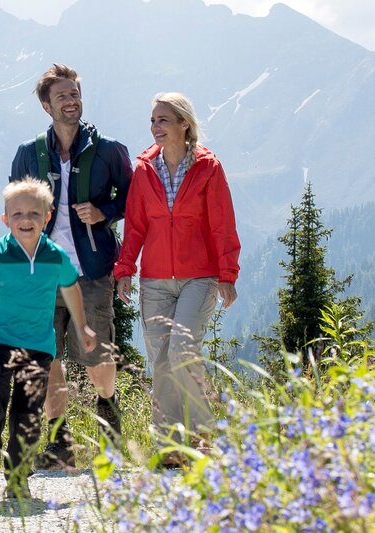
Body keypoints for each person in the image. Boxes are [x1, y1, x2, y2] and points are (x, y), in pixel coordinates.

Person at [10, 63, 132, 469]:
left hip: (92, 270)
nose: (71, 101)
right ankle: (60, 443)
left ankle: (109, 425)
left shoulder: (108, 149)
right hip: (43, 273)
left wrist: (104, 211)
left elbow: (133, 199)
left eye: (75, 93)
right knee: (50, 359)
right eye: (62, 95)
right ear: (47, 105)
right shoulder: (29, 154)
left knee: (97, 355)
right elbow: (15, 209)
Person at [0, 177, 97, 499]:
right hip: (0, 341)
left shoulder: (55, 256)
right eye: (17, 214)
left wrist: (82, 326)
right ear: (5, 219)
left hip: (40, 345)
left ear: (47, 216)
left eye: (33, 213)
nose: (25, 220)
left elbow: (71, 287)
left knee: (27, 412)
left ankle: (18, 478)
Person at [113, 92, 240, 465]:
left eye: (163, 120)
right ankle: (169, 448)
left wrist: (227, 274)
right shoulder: (144, 169)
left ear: (184, 123)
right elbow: (135, 225)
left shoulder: (208, 167)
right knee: (162, 362)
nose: (156, 128)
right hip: (154, 281)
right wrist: (125, 270)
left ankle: (203, 440)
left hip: (199, 278)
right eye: (153, 121)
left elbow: (222, 224)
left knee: (183, 352)